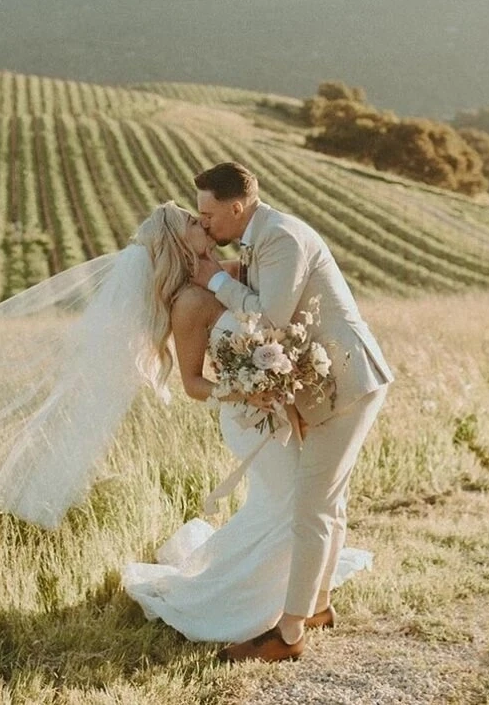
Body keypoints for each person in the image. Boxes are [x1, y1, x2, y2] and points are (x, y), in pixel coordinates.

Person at [0, 200, 372, 646]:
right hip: (245, 417)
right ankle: (256, 609)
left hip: (275, 412)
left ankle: (301, 605)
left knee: (289, 506)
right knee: (290, 506)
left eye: (202, 214)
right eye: (190, 220)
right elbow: (192, 384)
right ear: (175, 240)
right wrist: (247, 391)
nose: (201, 221)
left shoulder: (225, 271)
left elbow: (271, 308)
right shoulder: (187, 302)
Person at [191, 161, 394, 663]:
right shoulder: (260, 238)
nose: (205, 224)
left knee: (313, 508)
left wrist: (215, 280)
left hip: (348, 381)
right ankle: (319, 606)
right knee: (329, 502)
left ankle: (288, 634)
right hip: (329, 385)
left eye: (209, 213)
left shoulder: (281, 236)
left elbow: (269, 317)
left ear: (238, 207)